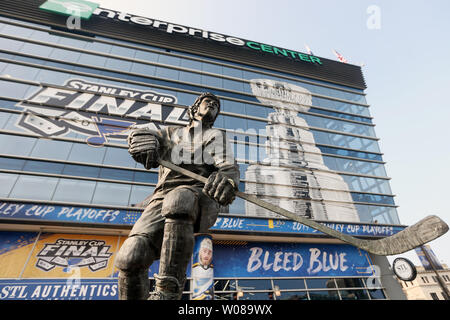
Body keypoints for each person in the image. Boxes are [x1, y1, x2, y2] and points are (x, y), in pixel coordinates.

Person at [115, 92, 240, 300]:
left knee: (180, 200)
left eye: (216, 106)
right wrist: (140, 140)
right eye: (207, 102)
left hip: (199, 195)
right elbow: (142, 133)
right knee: (131, 255)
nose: (212, 106)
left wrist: (226, 180)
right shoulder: (170, 133)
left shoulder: (216, 136)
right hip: (161, 197)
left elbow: (228, 167)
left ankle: (168, 292)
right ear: (194, 109)